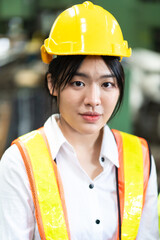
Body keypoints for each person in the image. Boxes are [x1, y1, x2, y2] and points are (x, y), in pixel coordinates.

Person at [0, 1, 159, 240]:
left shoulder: (139, 157)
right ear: (53, 84)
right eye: (78, 83)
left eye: (106, 84)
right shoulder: (20, 162)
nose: (93, 100)